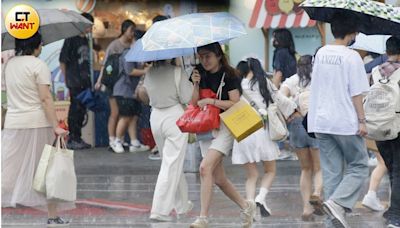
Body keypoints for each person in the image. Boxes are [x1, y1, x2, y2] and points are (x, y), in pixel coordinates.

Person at [2, 32, 73, 227]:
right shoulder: (38, 65)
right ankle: (52, 217)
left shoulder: (9, 65)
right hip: (38, 123)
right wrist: (56, 126)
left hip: (14, 123)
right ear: (36, 45)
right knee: (49, 171)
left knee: (7, 170)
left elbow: (6, 96)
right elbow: (45, 99)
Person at [307, 13, 370, 228]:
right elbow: (356, 93)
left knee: (332, 172)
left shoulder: (321, 53)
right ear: (352, 34)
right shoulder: (352, 57)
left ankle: (331, 223)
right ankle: (337, 203)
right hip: (345, 121)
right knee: (359, 165)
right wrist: (362, 121)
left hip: (322, 121)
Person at [189, 43, 256, 228]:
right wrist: (195, 83)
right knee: (218, 178)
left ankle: (202, 218)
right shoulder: (198, 72)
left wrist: (211, 100)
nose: (204, 60)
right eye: (200, 56)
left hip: (225, 127)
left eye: (208, 56)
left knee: (204, 168)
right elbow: (194, 103)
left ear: (219, 55)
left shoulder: (229, 74)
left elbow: (235, 103)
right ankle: (246, 206)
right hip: (206, 127)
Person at [144, 58, 194, 222]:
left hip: (156, 117)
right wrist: (192, 82)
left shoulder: (149, 73)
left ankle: (182, 205)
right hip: (174, 117)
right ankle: (159, 210)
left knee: (171, 162)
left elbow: (147, 94)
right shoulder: (178, 72)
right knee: (171, 164)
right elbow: (187, 97)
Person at [232, 58, 279, 218]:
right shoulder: (265, 83)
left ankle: (250, 206)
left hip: (244, 130)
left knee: (251, 175)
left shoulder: (238, 85)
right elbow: (277, 99)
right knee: (270, 170)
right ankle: (261, 198)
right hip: (262, 131)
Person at [280, 55, 323, 221]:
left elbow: (280, 96)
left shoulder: (292, 80)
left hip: (297, 124)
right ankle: (317, 193)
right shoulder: (318, 78)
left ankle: (306, 209)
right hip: (316, 122)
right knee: (319, 167)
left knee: (306, 169)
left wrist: (293, 109)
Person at [95, 20, 140, 151]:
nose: (132, 33)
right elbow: (105, 64)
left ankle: (121, 140)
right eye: (131, 30)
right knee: (115, 113)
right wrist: (99, 80)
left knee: (125, 113)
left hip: (125, 85)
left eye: (133, 31)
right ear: (124, 30)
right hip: (113, 83)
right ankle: (112, 140)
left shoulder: (132, 45)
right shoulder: (115, 45)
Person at [370, 36, 400, 228]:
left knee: (392, 170)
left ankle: (393, 210)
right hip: (397, 126)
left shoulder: (375, 70)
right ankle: (396, 215)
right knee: (399, 172)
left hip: (379, 128)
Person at [111, 29, 149, 153]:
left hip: (131, 91)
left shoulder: (136, 54)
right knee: (126, 117)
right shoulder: (128, 53)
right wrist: (146, 71)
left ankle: (134, 143)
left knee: (133, 117)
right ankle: (117, 141)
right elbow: (130, 71)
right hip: (123, 90)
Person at [59, 12, 94, 150]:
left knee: (81, 111)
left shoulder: (86, 39)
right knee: (75, 109)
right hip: (74, 82)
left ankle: (78, 137)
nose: (90, 28)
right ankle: (72, 138)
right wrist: (67, 79)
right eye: (88, 25)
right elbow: (63, 61)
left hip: (85, 82)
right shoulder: (71, 39)